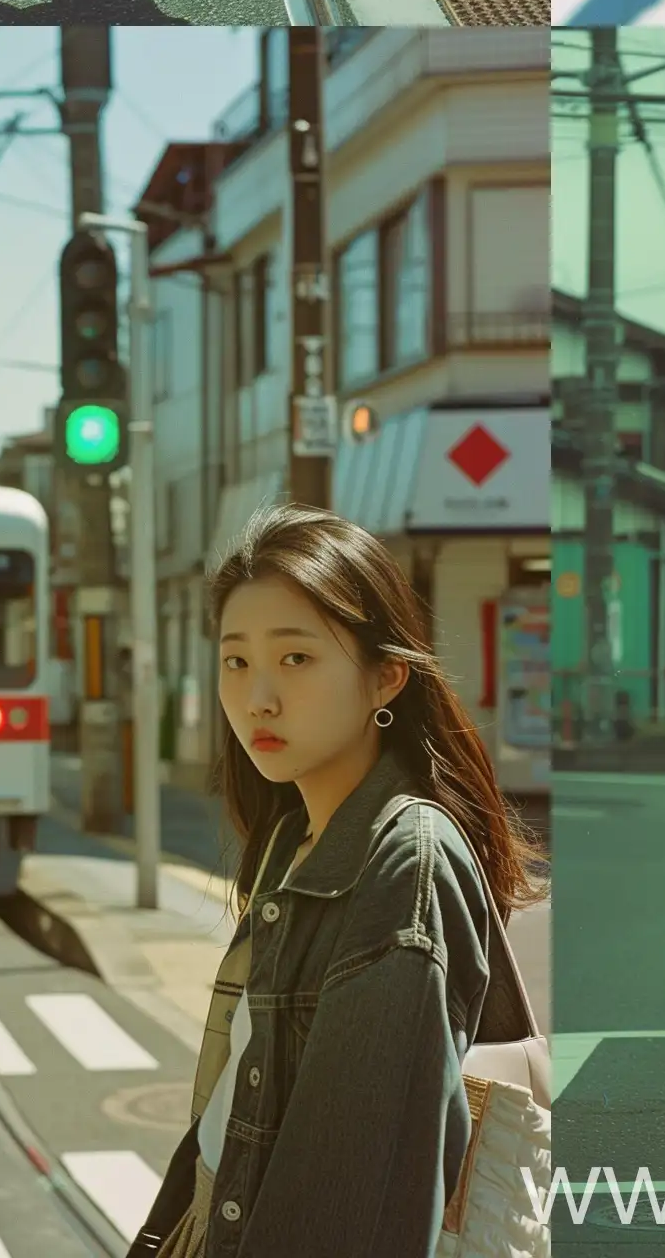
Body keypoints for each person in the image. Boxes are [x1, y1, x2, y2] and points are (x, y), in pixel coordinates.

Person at [126, 502, 547, 1258]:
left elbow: (362, 1184)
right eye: (236, 660)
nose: (258, 696)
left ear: (386, 677)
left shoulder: (404, 862)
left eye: (296, 658)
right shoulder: (294, 837)